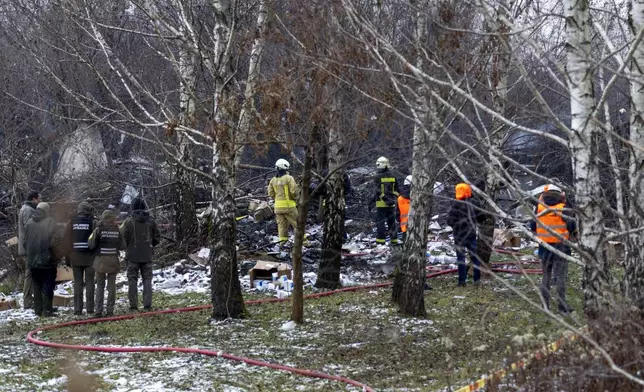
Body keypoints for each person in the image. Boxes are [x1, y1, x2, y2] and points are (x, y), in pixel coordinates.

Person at [530, 184, 576, 315]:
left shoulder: (539, 208)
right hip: (561, 247)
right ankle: (562, 307)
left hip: (544, 247)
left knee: (546, 276)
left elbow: (532, 226)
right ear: (560, 194)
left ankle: (545, 307)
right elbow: (572, 226)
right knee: (560, 277)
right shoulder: (563, 209)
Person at [120, 197, 160, 311]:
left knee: (132, 280)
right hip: (147, 255)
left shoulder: (128, 221)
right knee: (147, 280)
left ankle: (133, 305)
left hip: (132, 256)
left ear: (132, 207)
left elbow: (123, 238)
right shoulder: (151, 221)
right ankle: (147, 305)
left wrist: (128, 247)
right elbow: (157, 237)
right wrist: (150, 245)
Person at [64, 201, 98, 316]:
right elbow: (96, 239)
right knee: (90, 283)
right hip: (90, 258)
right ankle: (90, 309)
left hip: (75, 257)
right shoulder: (93, 222)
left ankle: (78, 309)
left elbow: (66, 241)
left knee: (78, 283)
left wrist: (67, 259)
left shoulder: (70, 223)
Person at [23, 202, 57, 317]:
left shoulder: (29, 223)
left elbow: (24, 243)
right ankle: (47, 309)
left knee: (36, 284)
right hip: (48, 260)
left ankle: (38, 310)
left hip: (32, 261)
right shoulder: (50, 222)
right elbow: (55, 242)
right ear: (47, 210)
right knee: (48, 285)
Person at [89, 209, 124, 317]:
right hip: (113, 261)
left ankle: (98, 311)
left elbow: (90, 244)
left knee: (100, 285)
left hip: (100, 261)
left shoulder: (98, 229)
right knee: (111, 286)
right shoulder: (117, 230)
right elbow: (123, 246)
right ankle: (110, 310)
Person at [447, 183, 483, 287]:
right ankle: (477, 280)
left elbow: (449, 221)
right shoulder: (474, 203)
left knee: (461, 259)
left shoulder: (455, 204)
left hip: (459, 236)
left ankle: (462, 282)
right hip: (471, 235)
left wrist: (456, 225)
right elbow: (482, 217)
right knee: (475, 259)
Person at [268, 159, 300, 245]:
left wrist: (278, 200)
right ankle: (304, 243)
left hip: (277, 207)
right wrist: (297, 198)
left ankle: (282, 243)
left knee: (281, 226)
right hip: (289, 206)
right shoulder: (289, 178)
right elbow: (294, 191)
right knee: (298, 224)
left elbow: (270, 194)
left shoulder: (272, 180)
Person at [370, 156, 400, 246]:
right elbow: (397, 190)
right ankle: (394, 240)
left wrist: (371, 201)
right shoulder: (393, 176)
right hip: (392, 204)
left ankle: (380, 241)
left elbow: (378, 191)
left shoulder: (377, 177)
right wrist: (393, 200)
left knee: (380, 222)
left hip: (381, 203)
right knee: (392, 222)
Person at [18, 191, 40, 309]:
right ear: (34, 199)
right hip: (29, 248)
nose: (39, 201)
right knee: (30, 273)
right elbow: (29, 229)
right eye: (38, 199)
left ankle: (29, 300)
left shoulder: (26, 208)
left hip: (28, 247)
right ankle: (27, 301)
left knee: (31, 273)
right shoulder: (28, 210)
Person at [397, 175, 412, 243]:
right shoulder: (417, 198)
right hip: (416, 227)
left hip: (404, 227)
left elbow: (397, 213)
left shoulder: (400, 198)